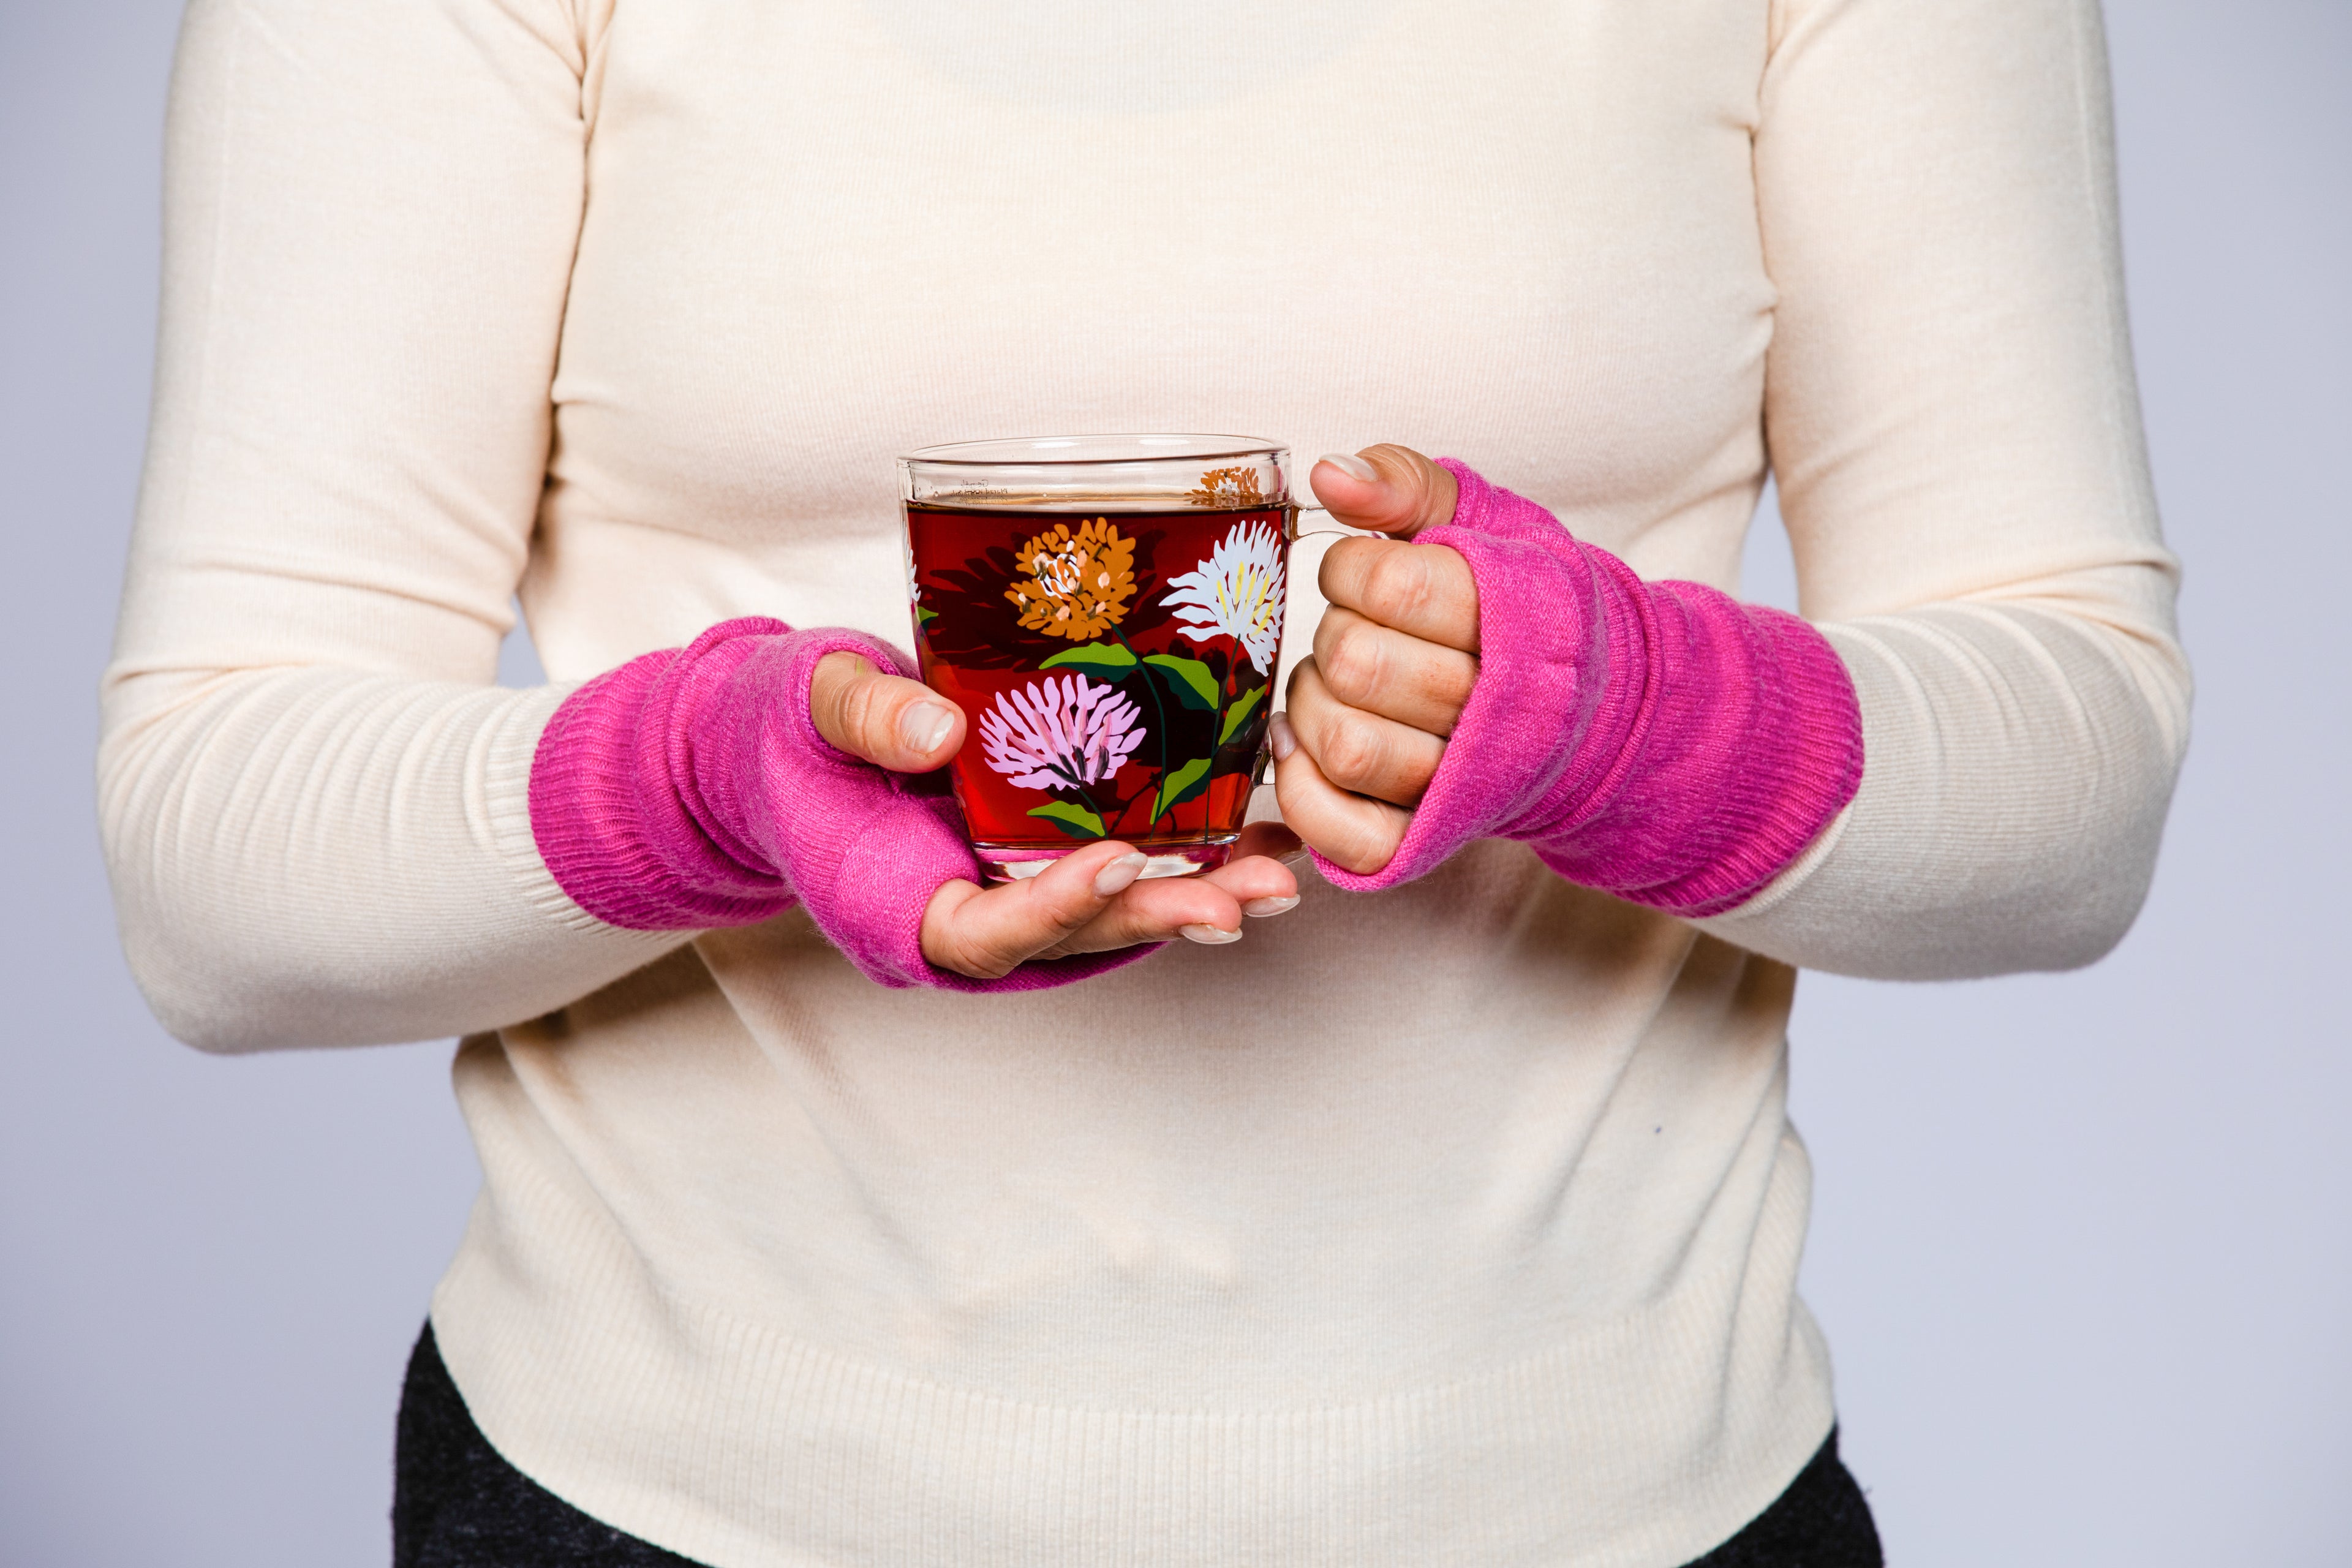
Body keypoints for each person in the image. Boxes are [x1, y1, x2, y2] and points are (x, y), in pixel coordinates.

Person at [99, 0, 2188, 1562]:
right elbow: (213, 880)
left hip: (1636, 1513)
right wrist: (708, 787)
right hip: (654, 1509)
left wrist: (1630, 716)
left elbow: (2078, 797)